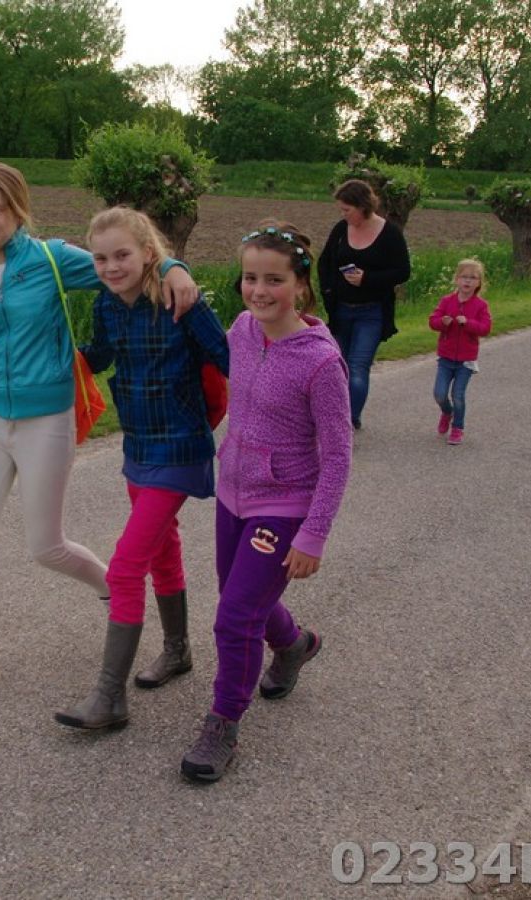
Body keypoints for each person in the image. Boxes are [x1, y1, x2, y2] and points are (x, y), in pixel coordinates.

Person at [0, 162, 202, 698]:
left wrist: (174, 267)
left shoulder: (49, 260)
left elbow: (123, 264)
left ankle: (115, 593)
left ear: (18, 210)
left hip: (48, 420)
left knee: (45, 547)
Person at [180, 222, 352, 782]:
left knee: (234, 618)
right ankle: (294, 644)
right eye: (250, 278)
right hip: (233, 494)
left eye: (274, 280)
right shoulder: (242, 330)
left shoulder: (321, 362)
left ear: (301, 284)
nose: (259, 290)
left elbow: (339, 456)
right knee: (243, 597)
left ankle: (223, 723)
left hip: (284, 504)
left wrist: (314, 534)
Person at [53, 207, 229, 730]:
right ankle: (177, 650)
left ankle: (109, 698)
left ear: (149, 253)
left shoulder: (180, 299)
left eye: (122, 255)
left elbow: (229, 358)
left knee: (126, 566)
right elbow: (100, 356)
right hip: (138, 447)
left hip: (180, 447)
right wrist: (52, 355)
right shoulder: (107, 305)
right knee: (162, 549)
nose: (110, 267)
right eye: (101, 258)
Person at [317, 179, 412, 430]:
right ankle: (334, 415)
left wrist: (367, 279)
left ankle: (348, 421)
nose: (343, 214)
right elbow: (325, 263)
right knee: (337, 367)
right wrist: (328, 291)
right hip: (340, 310)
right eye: (341, 209)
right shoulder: (341, 229)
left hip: (372, 312)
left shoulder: (390, 233)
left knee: (358, 368)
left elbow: (402, 271)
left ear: (362, 206)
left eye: (347, 209)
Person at [428, 259, 493, 446]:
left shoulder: (480, 305)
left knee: (458, 395)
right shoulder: (447, 301)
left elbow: (485, 328)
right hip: (446, 357)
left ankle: (457, 427)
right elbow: (433, 321)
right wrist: (443, 322)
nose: (468, 281)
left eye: (473, 278)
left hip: (466, 361)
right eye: (464, 277)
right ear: (457, 279)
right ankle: (446, 412)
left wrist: (468, 323)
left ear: (479, 283)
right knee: (439, 394)